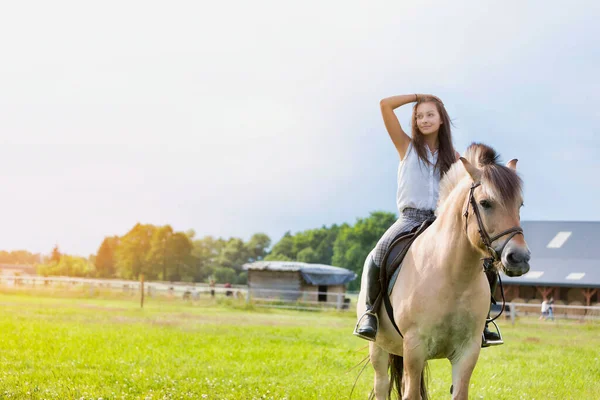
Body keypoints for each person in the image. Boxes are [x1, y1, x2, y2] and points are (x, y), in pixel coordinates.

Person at [353, 93, 503, 346]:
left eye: (430, 114)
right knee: (377, 256)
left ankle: (484, 321)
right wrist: (417, 96)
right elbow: (385, 105)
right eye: (419, 116)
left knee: (485, 260)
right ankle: (370, 314)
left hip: (442, 223)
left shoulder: (456, 159)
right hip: (409, 219)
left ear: (441, 119)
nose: (424, 120)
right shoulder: (406, 146)